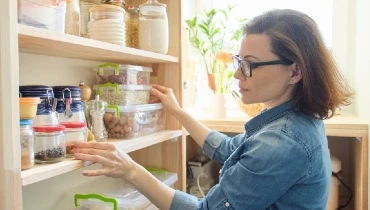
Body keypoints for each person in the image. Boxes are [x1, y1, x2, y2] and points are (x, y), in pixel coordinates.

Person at [72, 9, 352, 210]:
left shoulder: (281, 141)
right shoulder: (289, 119)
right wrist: (178, 112)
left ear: (295, 72)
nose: (237, 75)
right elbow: (230, 149)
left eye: (250, 65)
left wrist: (130, 170)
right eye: (239, 61)